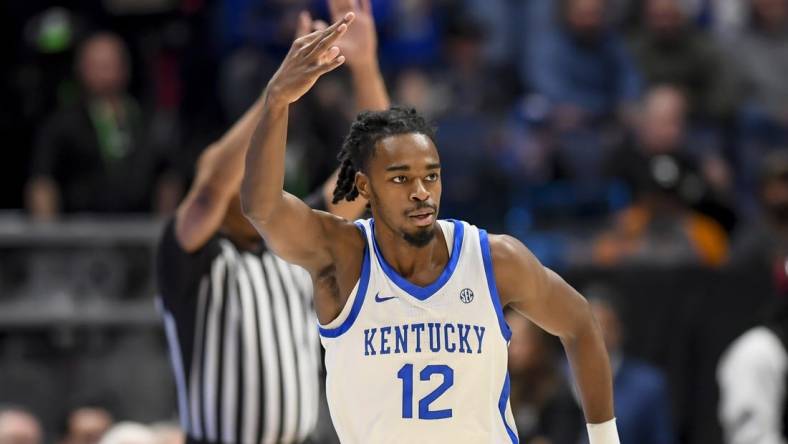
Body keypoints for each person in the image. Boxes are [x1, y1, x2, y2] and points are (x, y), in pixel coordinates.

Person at [240, 12, 620, 444]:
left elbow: (580, 324)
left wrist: (606, 439)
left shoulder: (493, 260)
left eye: (431, 176)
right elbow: (262, 208)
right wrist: (276, 102)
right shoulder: (343, 257)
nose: (421, 192)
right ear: (364, 186)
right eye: (401, 179)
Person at [156, 1, 387, 443]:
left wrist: (364, 66)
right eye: (243, 176)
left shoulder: (294, 238)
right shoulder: (191, 258)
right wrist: (276, 96)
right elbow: (209, 186)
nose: (255, 182)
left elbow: (368, 174)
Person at [27, 32, 180, 218]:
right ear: (80, 68)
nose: (106, 72)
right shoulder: (62, 124)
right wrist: (46, 237)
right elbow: (43, 182)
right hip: (79, 233)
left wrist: (163, 230)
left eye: (111, 64)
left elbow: (167, 177)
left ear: (126, 67)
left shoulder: (149, 120)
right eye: (97, 65)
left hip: (138, 231)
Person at [587, 286, 675, 444]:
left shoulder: (648, 385)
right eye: (588, 327)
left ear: (618, 330)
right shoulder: (558, 377)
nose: (596, 334)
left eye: (604, 326)